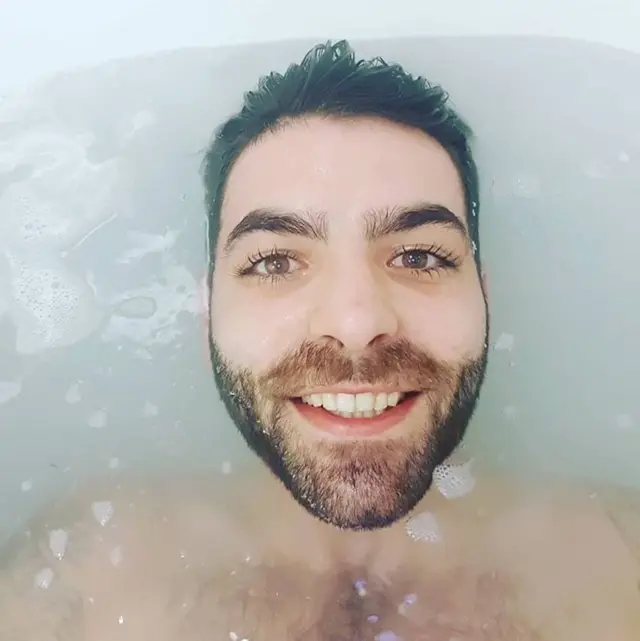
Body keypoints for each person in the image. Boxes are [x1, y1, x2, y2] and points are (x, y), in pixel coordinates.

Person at [1, 39, 639, 641]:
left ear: (484, 299)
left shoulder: (622, 564)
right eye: (275, 262)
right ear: (204, 314)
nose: (358, 322)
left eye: (419, 256)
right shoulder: (86, 575)